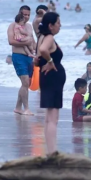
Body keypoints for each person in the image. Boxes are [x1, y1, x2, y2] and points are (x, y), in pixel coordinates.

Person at [37, 12, 65, 153]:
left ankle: (50, 150)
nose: (60, 26)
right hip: (53, 78)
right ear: (51, 25)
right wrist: (50, 61)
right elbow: (42, 51)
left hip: (47, 78)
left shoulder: (41, 37)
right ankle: (52, 151)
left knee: (49, 117)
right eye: (58, 23)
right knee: (53, 117)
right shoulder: (49, 37)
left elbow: (37, 57)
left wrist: (43, 60)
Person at [8, 6, 35, 115]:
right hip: (18, 56)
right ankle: (26, 108)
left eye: (28, 15)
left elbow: (33, 42)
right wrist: (26, 43)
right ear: (20, 13)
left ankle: (18, 107)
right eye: (24, 15)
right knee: (25, 82)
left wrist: (40, 52)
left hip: (29, 57)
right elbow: (11, 41)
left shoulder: (29, 26)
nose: (27, 17)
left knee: (26, 84)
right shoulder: (13, 25)